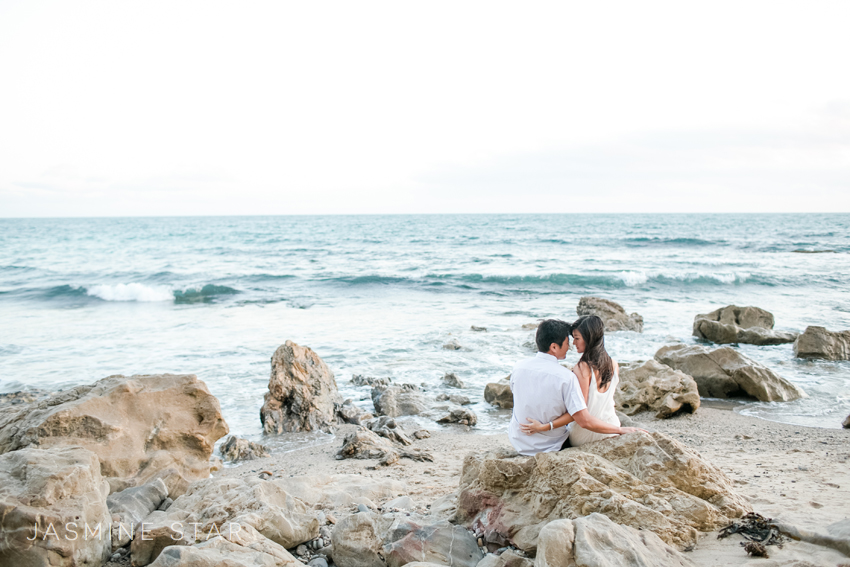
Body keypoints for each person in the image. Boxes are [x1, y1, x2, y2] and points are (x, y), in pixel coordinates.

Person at [508, 318, 639, 456]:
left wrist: (544, 426)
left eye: (576, 338)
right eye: (569, 341)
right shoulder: (613, 364)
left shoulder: (518, 367)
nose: (572, 344)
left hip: (521, 441)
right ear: (554, 347)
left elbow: (580, 416)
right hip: (611, 424)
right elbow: (582, 412)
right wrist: (619, 430)